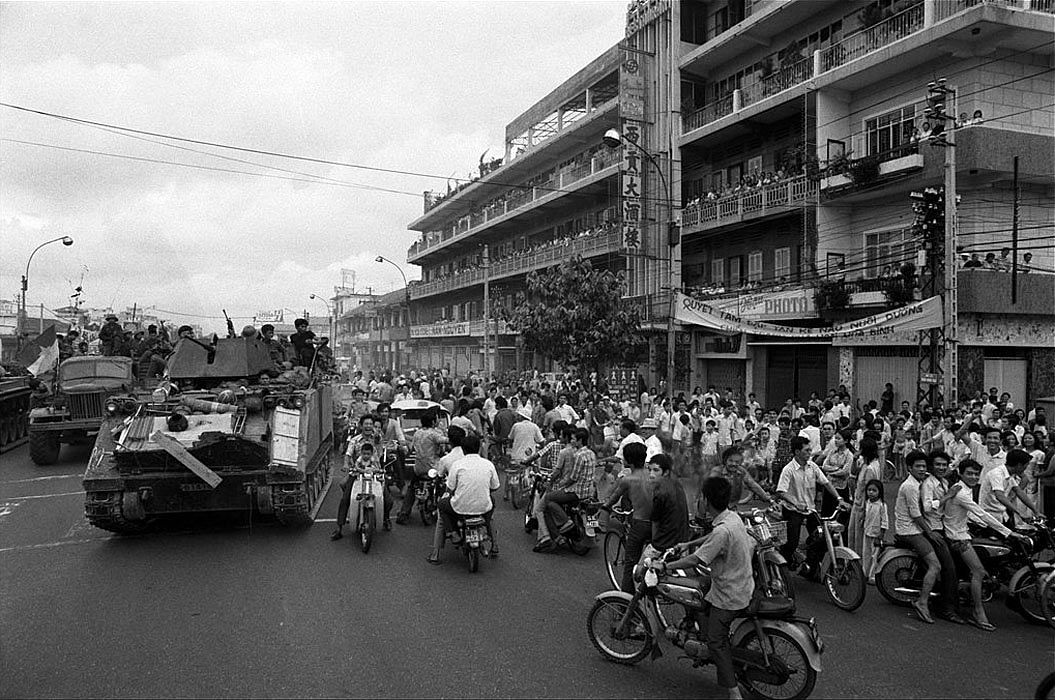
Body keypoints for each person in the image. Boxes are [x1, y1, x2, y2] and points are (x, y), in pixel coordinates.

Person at [653, 477, 754, 700]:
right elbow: (713, 540)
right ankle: (697, 626)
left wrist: (664, 565)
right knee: (699, 589)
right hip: (742, 582)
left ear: (706, 500)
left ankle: (734, 692)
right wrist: (689, 543)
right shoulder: (732, 518)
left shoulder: (721, 531)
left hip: (729, 593)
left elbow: (695, 561)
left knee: (717, 643)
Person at [943, 459, 1020, 630]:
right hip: (957, 537)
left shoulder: (965, 489)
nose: (973, 476)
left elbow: (971, 514)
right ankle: (978, 612)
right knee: (978, 571)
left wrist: (984, 525)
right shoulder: (961, 492)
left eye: (976, 474)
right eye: (969, 473)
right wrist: (1008, 532)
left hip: (962, 531)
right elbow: (982, 513)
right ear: (961, 474)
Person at [776, 436, 847, 578]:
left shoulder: (813, 466)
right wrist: (796, 503)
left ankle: (810, 566)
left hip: (810, 509)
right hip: (793, 510)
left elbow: (826, 483)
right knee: (792, 542)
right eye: (807, 450)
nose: (810, 452)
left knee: (821, 538)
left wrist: (839, 499)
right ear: (797, 452)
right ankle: (782, 565)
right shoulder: (788, 469)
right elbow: (780, 492)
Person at [429, 433, 500, 565]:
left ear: (463, 449)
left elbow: (450, 488)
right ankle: (493, 543)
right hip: (483, 507)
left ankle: (452, 533)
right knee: (491, 507)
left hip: (460, 508)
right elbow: (495, 486)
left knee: (442, 505)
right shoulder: (488, 464)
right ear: (478, 448)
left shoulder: (457, 464)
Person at [894, 451, 943, 624]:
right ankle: (922, 602)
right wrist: (929, 532)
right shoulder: (910, 486)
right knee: (935, 565)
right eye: (918, 466)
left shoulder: (920, 481)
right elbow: (915, 514)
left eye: (924, 466)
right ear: (909, 468)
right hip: (909, 531)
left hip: (914, 528)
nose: (923, 469)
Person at [919, 451, 965, 624]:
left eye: (944, 465)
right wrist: (948, 495)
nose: (941, 467)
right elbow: (927, 507)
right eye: (937, 464)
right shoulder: (928, 484)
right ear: (932, 466)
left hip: (945, 526)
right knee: (949, 568)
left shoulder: (944, 482)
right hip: (933, 529)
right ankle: (946, 608)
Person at [602, 442, 653, 592]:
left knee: (630, 563)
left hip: (639, 524)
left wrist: (604, 508)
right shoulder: (653, 475)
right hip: (656, 523)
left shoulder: (628, 480)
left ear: (628, 460)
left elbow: (613, 498)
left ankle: (626, 604)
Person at [331, 414, 390, 539]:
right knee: (345, 498)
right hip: (358, 473)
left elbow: (380, 444)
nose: (368, 426)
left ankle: (385, 518)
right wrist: (346, 464)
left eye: (371, 424)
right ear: (361, 426)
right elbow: (348, 454)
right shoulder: (355, 440)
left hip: (375, 473)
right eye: (366, 424)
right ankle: (339, 528)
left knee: (388, 500)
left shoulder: (377, 438)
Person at [538, 428, 596, 549]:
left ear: (580, 440)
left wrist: (561, 485)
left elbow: (573, 478)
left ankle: (565, 522)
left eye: (574, 439)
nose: (572, 440)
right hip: (589, 490)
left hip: (576, 492)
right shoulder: (591, 453)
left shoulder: (578, 455)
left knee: (548, 498)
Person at [396, 409, 446, 525]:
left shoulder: (417, 433)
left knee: (412, 488)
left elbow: (412, 448)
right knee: (444, 484)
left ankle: (404, 513)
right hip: (433, 467)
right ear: (433, 422)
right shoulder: (434, 434)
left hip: (418, 468)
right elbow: (445, 444)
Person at [708, 446, 773, 510]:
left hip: (731, 507)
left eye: (736, 462)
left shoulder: (741, 471)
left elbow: (752, 484)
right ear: (725, 461)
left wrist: (768, 498)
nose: (733, 464)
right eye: (730, 461)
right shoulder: (717, 472)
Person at [649, 453, 689, 551]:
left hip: (664, 543)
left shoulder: (660, 492)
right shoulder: (677, 484)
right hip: (682, 540)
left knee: (641, 566)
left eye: (656, 470)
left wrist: (654, 544)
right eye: (649, 470)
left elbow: (656, 522)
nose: (651, 475)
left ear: (666, 472)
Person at [861, 479, 887, 584]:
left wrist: (881, 534)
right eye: (869, 490)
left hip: (876, 534)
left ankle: (873, 576)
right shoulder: (867, 503)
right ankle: (864, 573)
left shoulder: (882, 505)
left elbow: (885, 521)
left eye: (874, 490)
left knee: (875, 556)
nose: (871, 492)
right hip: (867, 532)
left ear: (879, 492)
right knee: (866, 554)